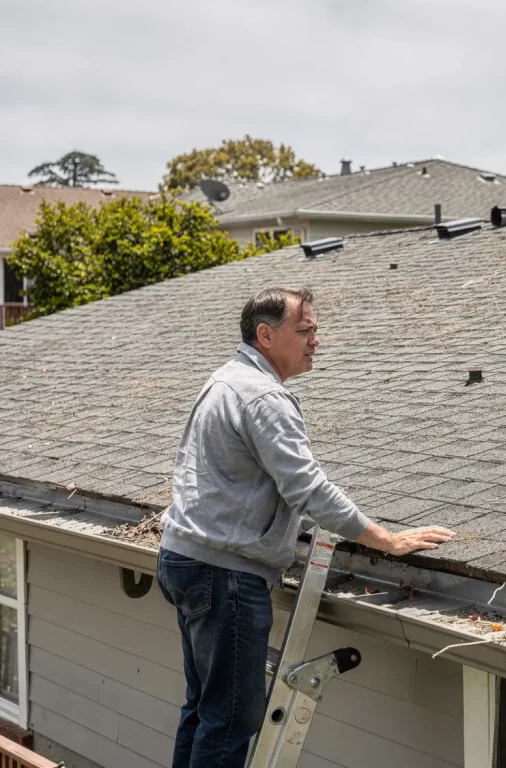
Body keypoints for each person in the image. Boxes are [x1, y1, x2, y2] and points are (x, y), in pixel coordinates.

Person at [156, 287, 455, 768]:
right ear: (266, 335)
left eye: (315, 329)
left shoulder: (225, 380)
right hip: (225, 575)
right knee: (229, 722)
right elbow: (308, 490)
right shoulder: (263, 397)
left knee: (205, 712)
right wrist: (387, 539)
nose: (317, 339)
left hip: (189, 560)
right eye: (305, 330)